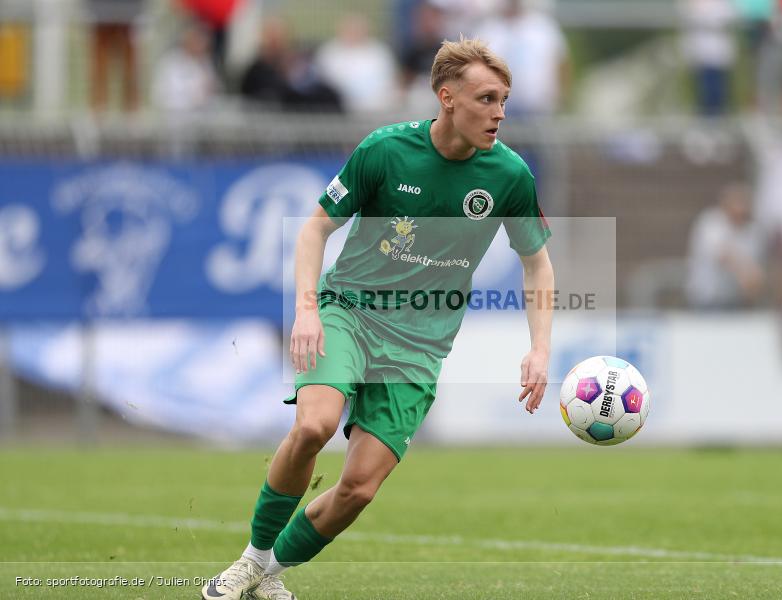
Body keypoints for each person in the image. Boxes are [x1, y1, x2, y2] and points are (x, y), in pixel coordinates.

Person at [200, 37, 554, 600]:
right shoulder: (385, 150)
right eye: (486, 99)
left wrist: (539, 348)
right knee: (313, 427)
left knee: (359, 489)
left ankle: (270, 576)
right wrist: (307, 310)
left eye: (504, 100)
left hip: (418, 346)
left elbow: (537, 263)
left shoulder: (510, 175)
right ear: (447, 98)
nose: (499, 113)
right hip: (350, 313)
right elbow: (314, 228)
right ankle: (251, 559)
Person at [685, 182, 766, 309]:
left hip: (735, 300)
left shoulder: (753, 231)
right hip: (706, 299)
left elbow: (756, 268)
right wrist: (746, 274)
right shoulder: (711, 222)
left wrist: (754, 280)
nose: (740, 208)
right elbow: (722, 255)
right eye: (737, 202)